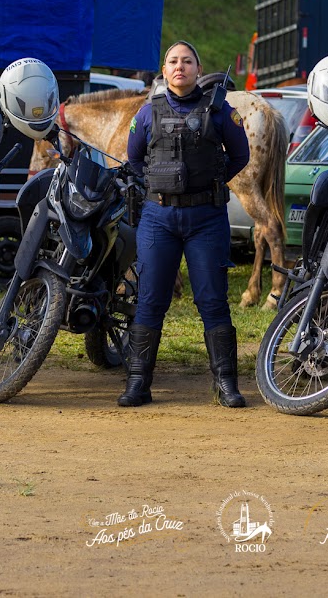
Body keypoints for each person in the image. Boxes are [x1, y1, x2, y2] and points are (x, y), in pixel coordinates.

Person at [121, 40, 251, 408]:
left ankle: (226, 384)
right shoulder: (147, 114)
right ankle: (137, 384)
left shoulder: (221, 111)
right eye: (173, 62)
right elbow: (133, 159)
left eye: (187, 61)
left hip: (206, 219)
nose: (180, 67)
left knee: (213, 302)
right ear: (164, 72)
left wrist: (209, 180)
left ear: (198, 69)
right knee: (149, 300)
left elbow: (240, 155)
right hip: (158, 219)